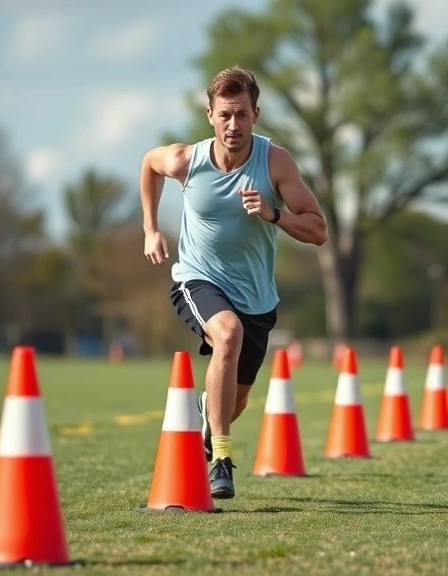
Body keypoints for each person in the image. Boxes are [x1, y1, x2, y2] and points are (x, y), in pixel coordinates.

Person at [139, 66, 327, 499]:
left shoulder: (275, 162)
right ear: (210, 115)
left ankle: (211, 417)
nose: (233, 125)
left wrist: (273, 214)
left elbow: (319, 230)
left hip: (257, 298)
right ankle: (220, 460)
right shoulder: (188, 160)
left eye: (241, 114)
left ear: (255, 115)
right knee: (228, 333)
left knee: (236, 399)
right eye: (224, 114)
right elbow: (150, 163)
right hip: (198, 278)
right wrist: (150, 227)